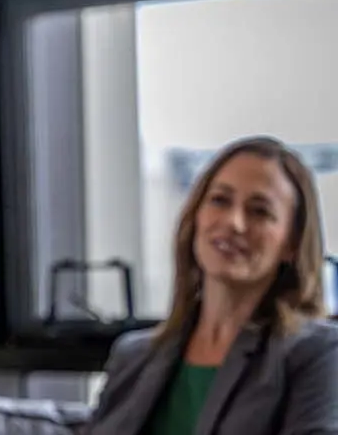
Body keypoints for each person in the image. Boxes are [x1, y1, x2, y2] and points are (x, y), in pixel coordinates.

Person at [82, 136, 337, 435]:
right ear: (196, 217)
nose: (234, 222)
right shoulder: (133, 357)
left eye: (259, 211)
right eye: (220, 200)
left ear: (292, 243)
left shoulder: (318, 354)